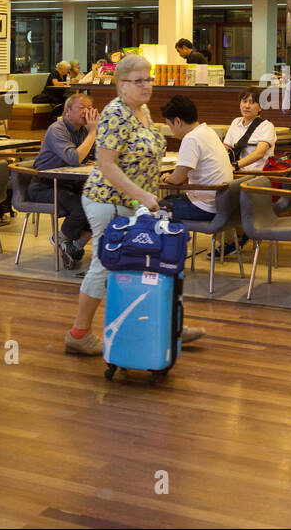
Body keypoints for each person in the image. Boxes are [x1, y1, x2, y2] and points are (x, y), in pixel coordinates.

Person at [66, 54, 205, 357]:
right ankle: (79, 333)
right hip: (109, 201)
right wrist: (142, 196)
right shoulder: (116, 113)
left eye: (149, 79)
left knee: (151, 263)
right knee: (103, 265)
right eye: (138, 81)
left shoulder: (140, 111)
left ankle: (169, 325)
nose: (146, 85)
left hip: (137, 202)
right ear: (120, 84)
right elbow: (106, 164)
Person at [30, 92, 99, 270]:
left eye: (90, 108)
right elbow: (74, 158)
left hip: (69, 183)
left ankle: (74, 246)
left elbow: (98, 155)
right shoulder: (57, 129)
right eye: (82, 108)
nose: (87, 112)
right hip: (44, 185)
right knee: (80, 206)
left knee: (100, 203)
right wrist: (93, 132)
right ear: (67, 111)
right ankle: (60, 238)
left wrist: (99, 131)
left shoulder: (83, 131)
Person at [160, 95, 232, 222]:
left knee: (156, 209)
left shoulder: (191, 138)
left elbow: (177, 179)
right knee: (168, 201)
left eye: (169, 125)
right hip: (221, 204)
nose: (171, 131)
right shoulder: (207, 131)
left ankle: (172, 241)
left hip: (205, 207)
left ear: (177, 121)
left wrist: (166, 177)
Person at [224, 87, 276, 169]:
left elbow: (259, 153)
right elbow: (225, 148)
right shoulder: (235, 122)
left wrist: (235, 165)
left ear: (260, 107)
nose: (247, 106)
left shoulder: (266, 126)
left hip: (256, 176)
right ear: (240, 104)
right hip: (236, 172)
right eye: (244, 101)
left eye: (252, 102)